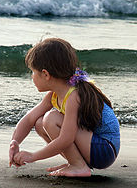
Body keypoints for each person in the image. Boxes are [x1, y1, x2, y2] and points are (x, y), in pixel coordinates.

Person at [9, 38, 120, 177]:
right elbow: (30, 118)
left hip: (105, 149)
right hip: (92, 146)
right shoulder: (53, 95)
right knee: (39, 123)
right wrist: (15, 142)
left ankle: (78, 165)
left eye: (32, 72)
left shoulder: (74, 96)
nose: (31, 77)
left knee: (51, 119)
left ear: (45, 74)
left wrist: (33, 156)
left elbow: (66, 138)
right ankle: (76, 162)